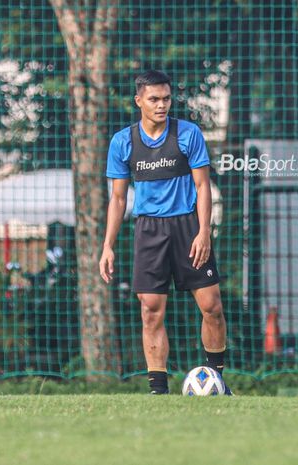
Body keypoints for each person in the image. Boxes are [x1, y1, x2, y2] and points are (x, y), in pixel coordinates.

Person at [99, 70, 231, 395]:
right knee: (150, 311)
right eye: (154, 99)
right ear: (139, 101)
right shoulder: (123, 142)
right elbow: (117, 198)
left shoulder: (188, 134)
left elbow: (203, 187)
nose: (162, 105)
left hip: (187, 226)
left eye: (166, 99)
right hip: (149, 231)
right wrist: (108, 246)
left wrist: (204, 232)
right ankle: (159, 391)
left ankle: (216, 382)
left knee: (212, 306)